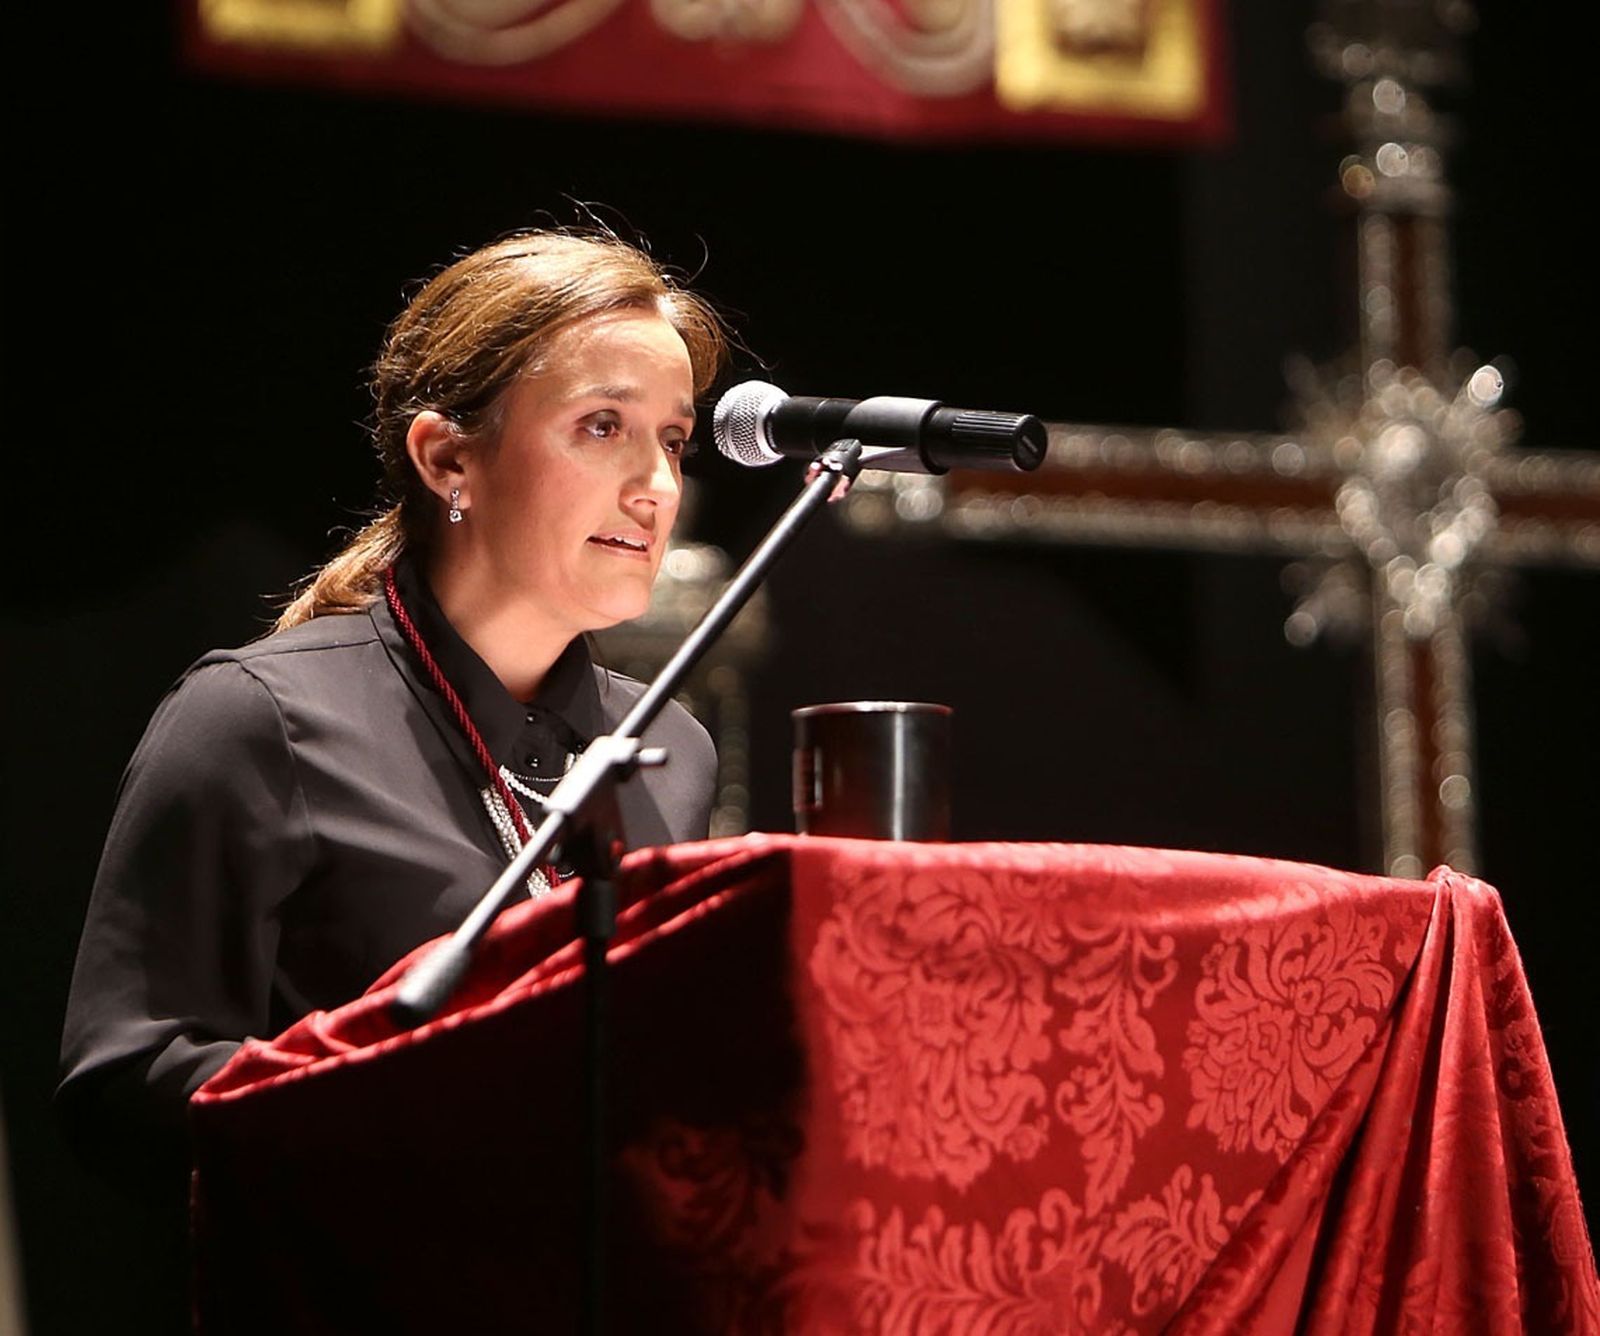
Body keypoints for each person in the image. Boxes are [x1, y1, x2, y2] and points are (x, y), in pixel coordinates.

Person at [57, 230, 731, 1189]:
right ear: (447, 459)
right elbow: (121, 1085)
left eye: (672, 440)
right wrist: (423, 1105)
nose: (657, 486)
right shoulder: (261, 720)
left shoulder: (669, 745)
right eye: (601, 426)